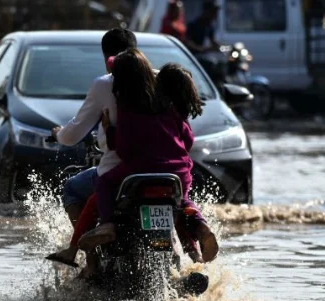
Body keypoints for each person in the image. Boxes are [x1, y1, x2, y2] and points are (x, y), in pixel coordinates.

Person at [79, 58, 218, 264]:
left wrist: (109, 131)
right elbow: (188, 141)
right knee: (181, 204)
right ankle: (198, 241)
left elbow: (124, 149)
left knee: (104, 182)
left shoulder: (128, 106)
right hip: (177, 173)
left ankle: (107, 225)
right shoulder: (171, 109)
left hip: (140, 169)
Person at [45, 28, 137, 279]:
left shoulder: (106, 83)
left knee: (74, 189)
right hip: (166, 168)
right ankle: (189, 256)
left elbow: (72, 134)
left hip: (120, 168)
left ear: (107, 57)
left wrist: (58, 134)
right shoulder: (161, 80)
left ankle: (91, 263)